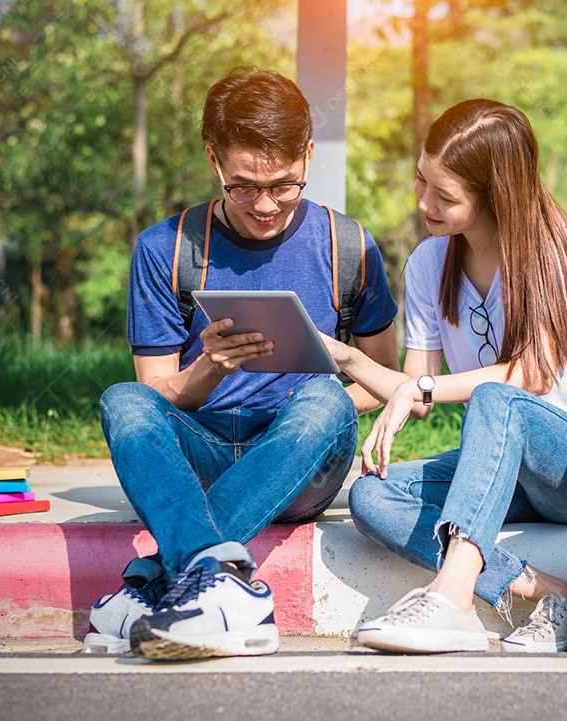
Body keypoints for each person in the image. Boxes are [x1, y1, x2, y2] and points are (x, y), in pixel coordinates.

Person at [85, 68, 399, 660]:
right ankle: (213, 584)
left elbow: (382, 379)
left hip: (299, 460)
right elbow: (156, 394)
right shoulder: (167, 248)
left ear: (308, 156)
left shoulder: (348, 247)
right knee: (120, 400)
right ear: (213, 160)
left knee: (324, 398)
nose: (264, 205)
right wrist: (211, 367)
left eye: (284, 186)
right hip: (200, 451)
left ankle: (156, 581)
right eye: (243, 186)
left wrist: (299, 415)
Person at [322, 98, 567, 654]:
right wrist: (343, 362)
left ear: (494, 195)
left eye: (445, 196)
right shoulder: (427, 263)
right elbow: (417, 389)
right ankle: (543, 592)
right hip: (509, 471)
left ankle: (452, 599)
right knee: (374, 495)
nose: (424, 202)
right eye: (421, 182)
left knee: (497, 397)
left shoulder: (550, 246)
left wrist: (419, 388)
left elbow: (533, 374)